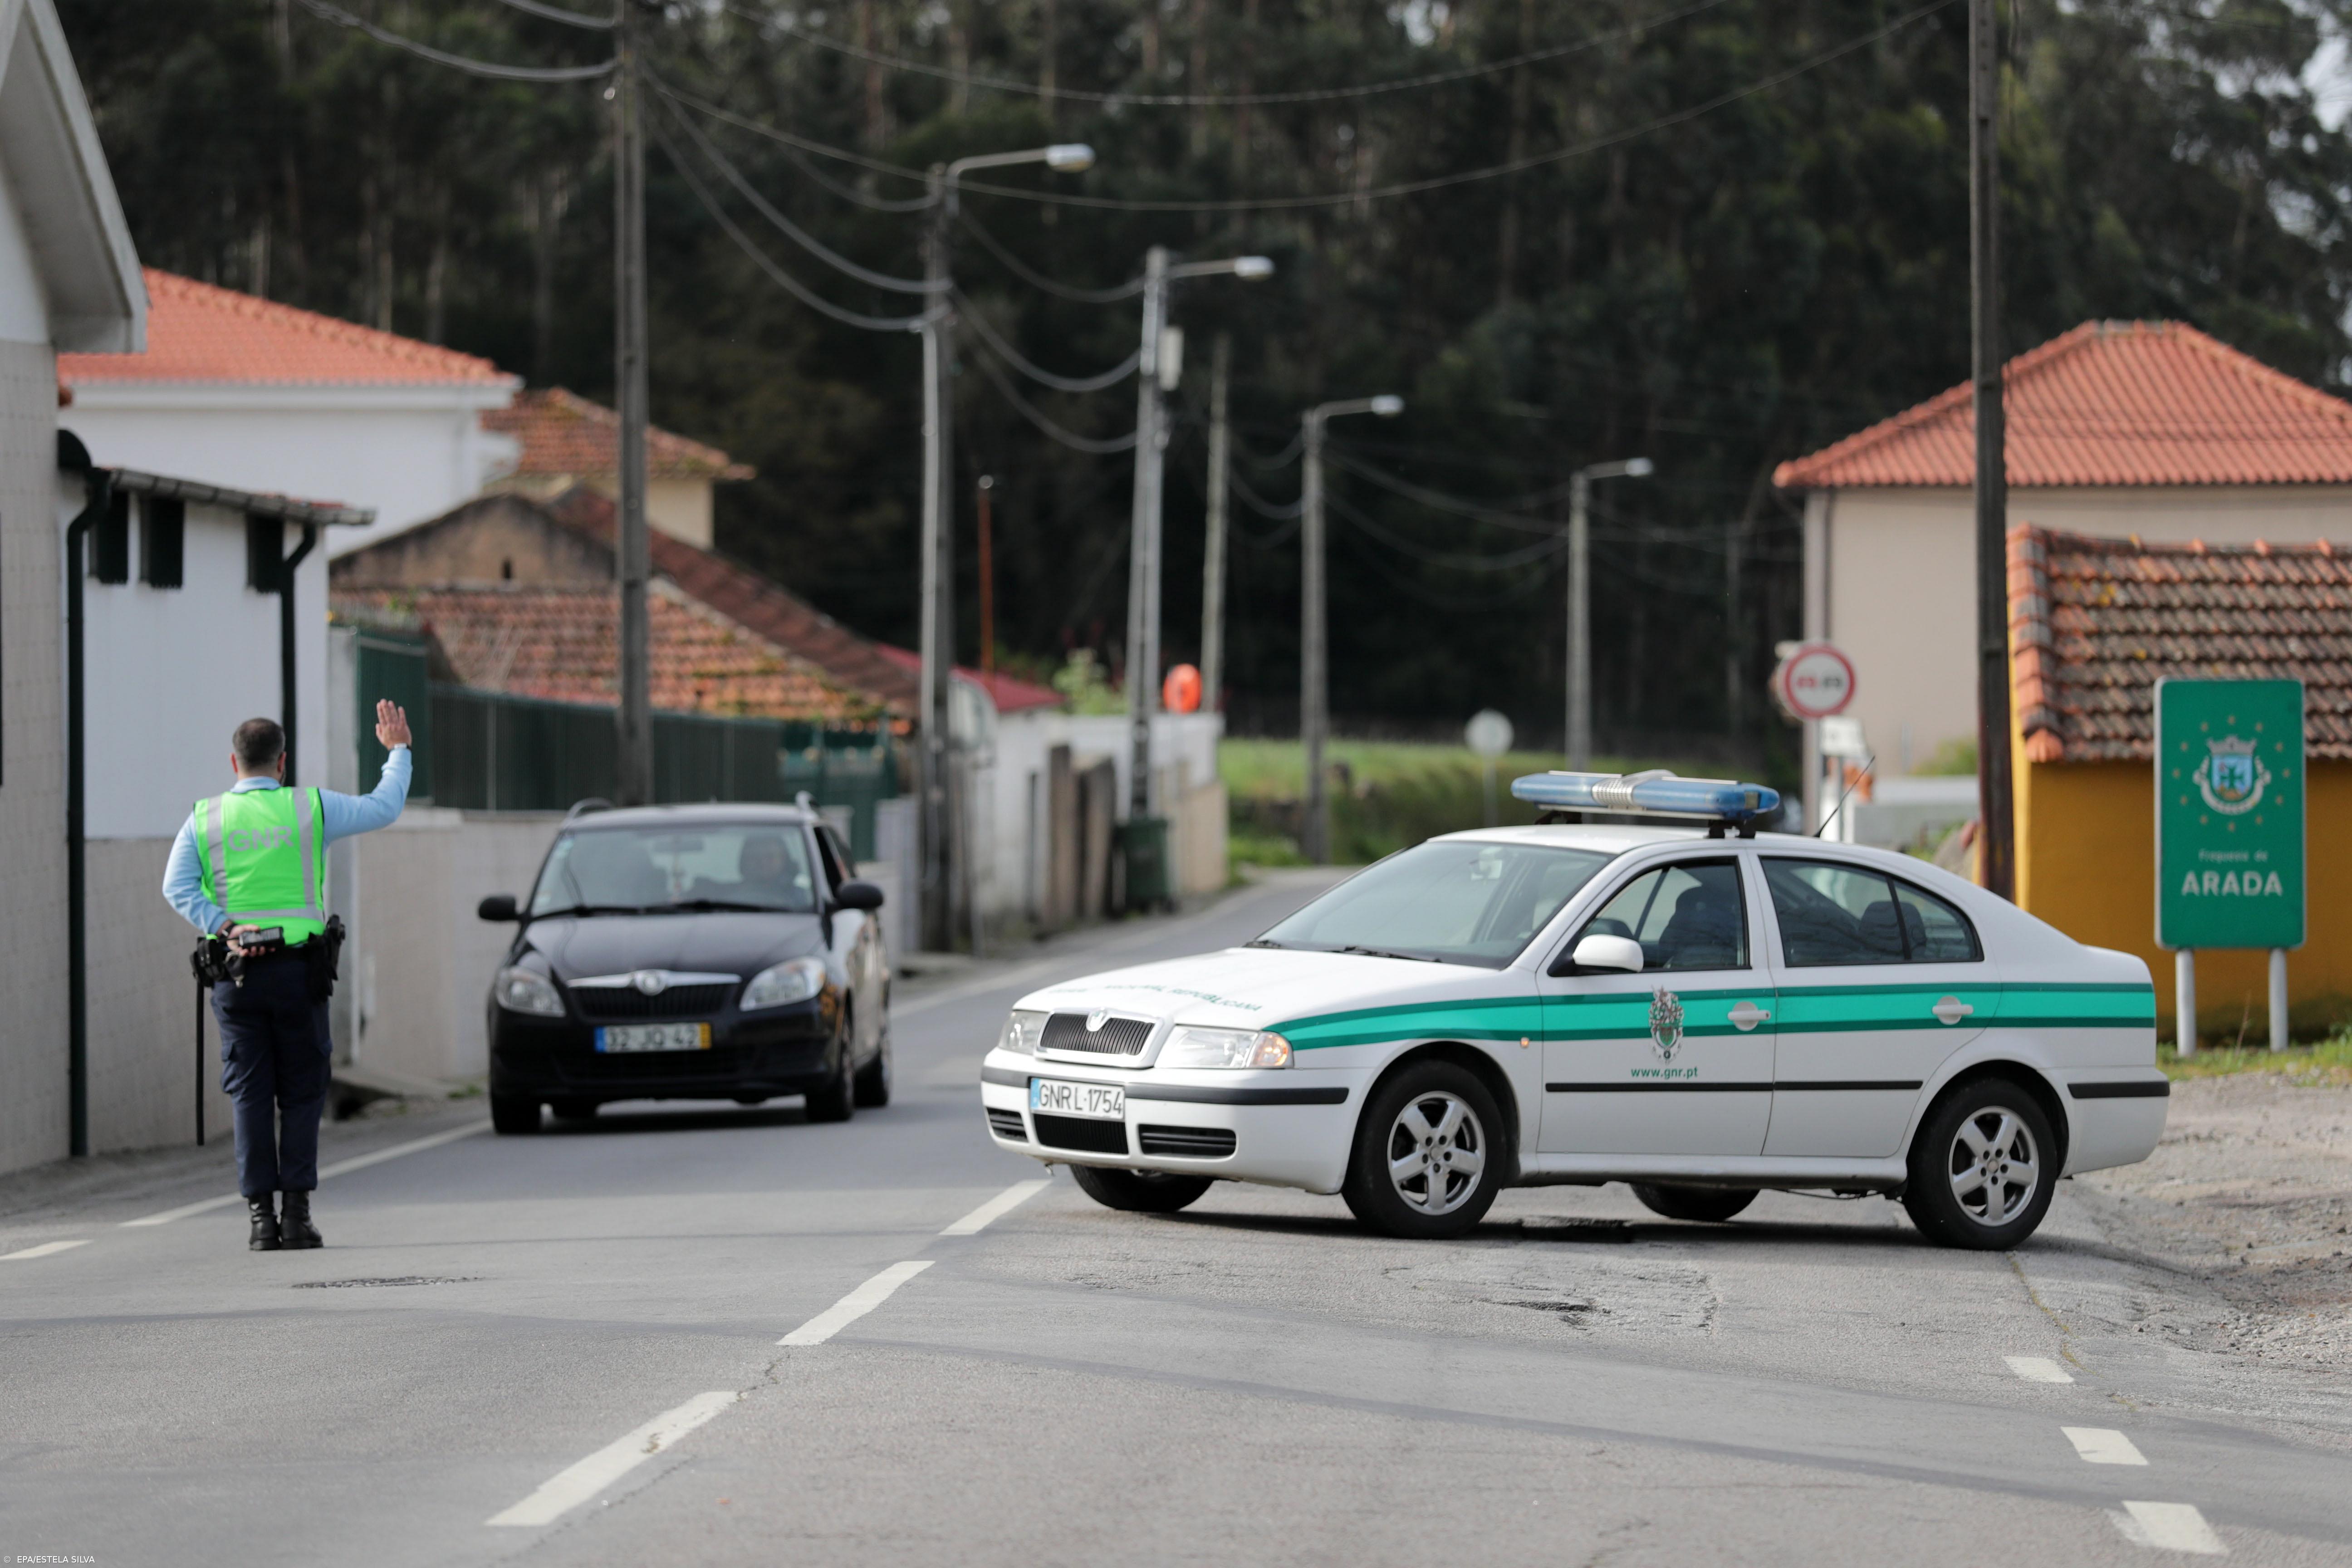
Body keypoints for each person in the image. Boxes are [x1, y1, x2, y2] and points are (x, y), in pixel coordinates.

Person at [161, 702, 413, 1252]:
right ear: (281, 765)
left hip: (237, 977)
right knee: (301, 1093)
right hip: (299, 976)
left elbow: (176, 887)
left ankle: (260, 1222)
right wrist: (397, 751)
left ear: (235, 762)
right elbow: (384, 807)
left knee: (250, 1094)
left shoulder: (205, 817)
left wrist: (224, 925)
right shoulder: (311, 808)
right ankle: (297, 1217)